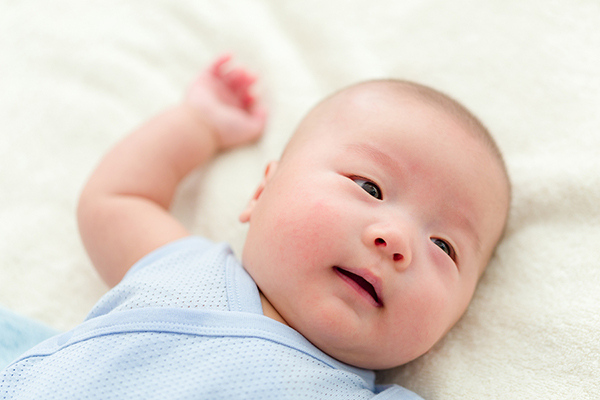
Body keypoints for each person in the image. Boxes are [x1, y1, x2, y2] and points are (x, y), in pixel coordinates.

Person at [0, 55, 510, 399]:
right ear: (260, 193)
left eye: (444, 246)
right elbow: (117, 198)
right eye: (370, 187)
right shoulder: (185, 264)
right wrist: (197, 125)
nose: (396, 241)